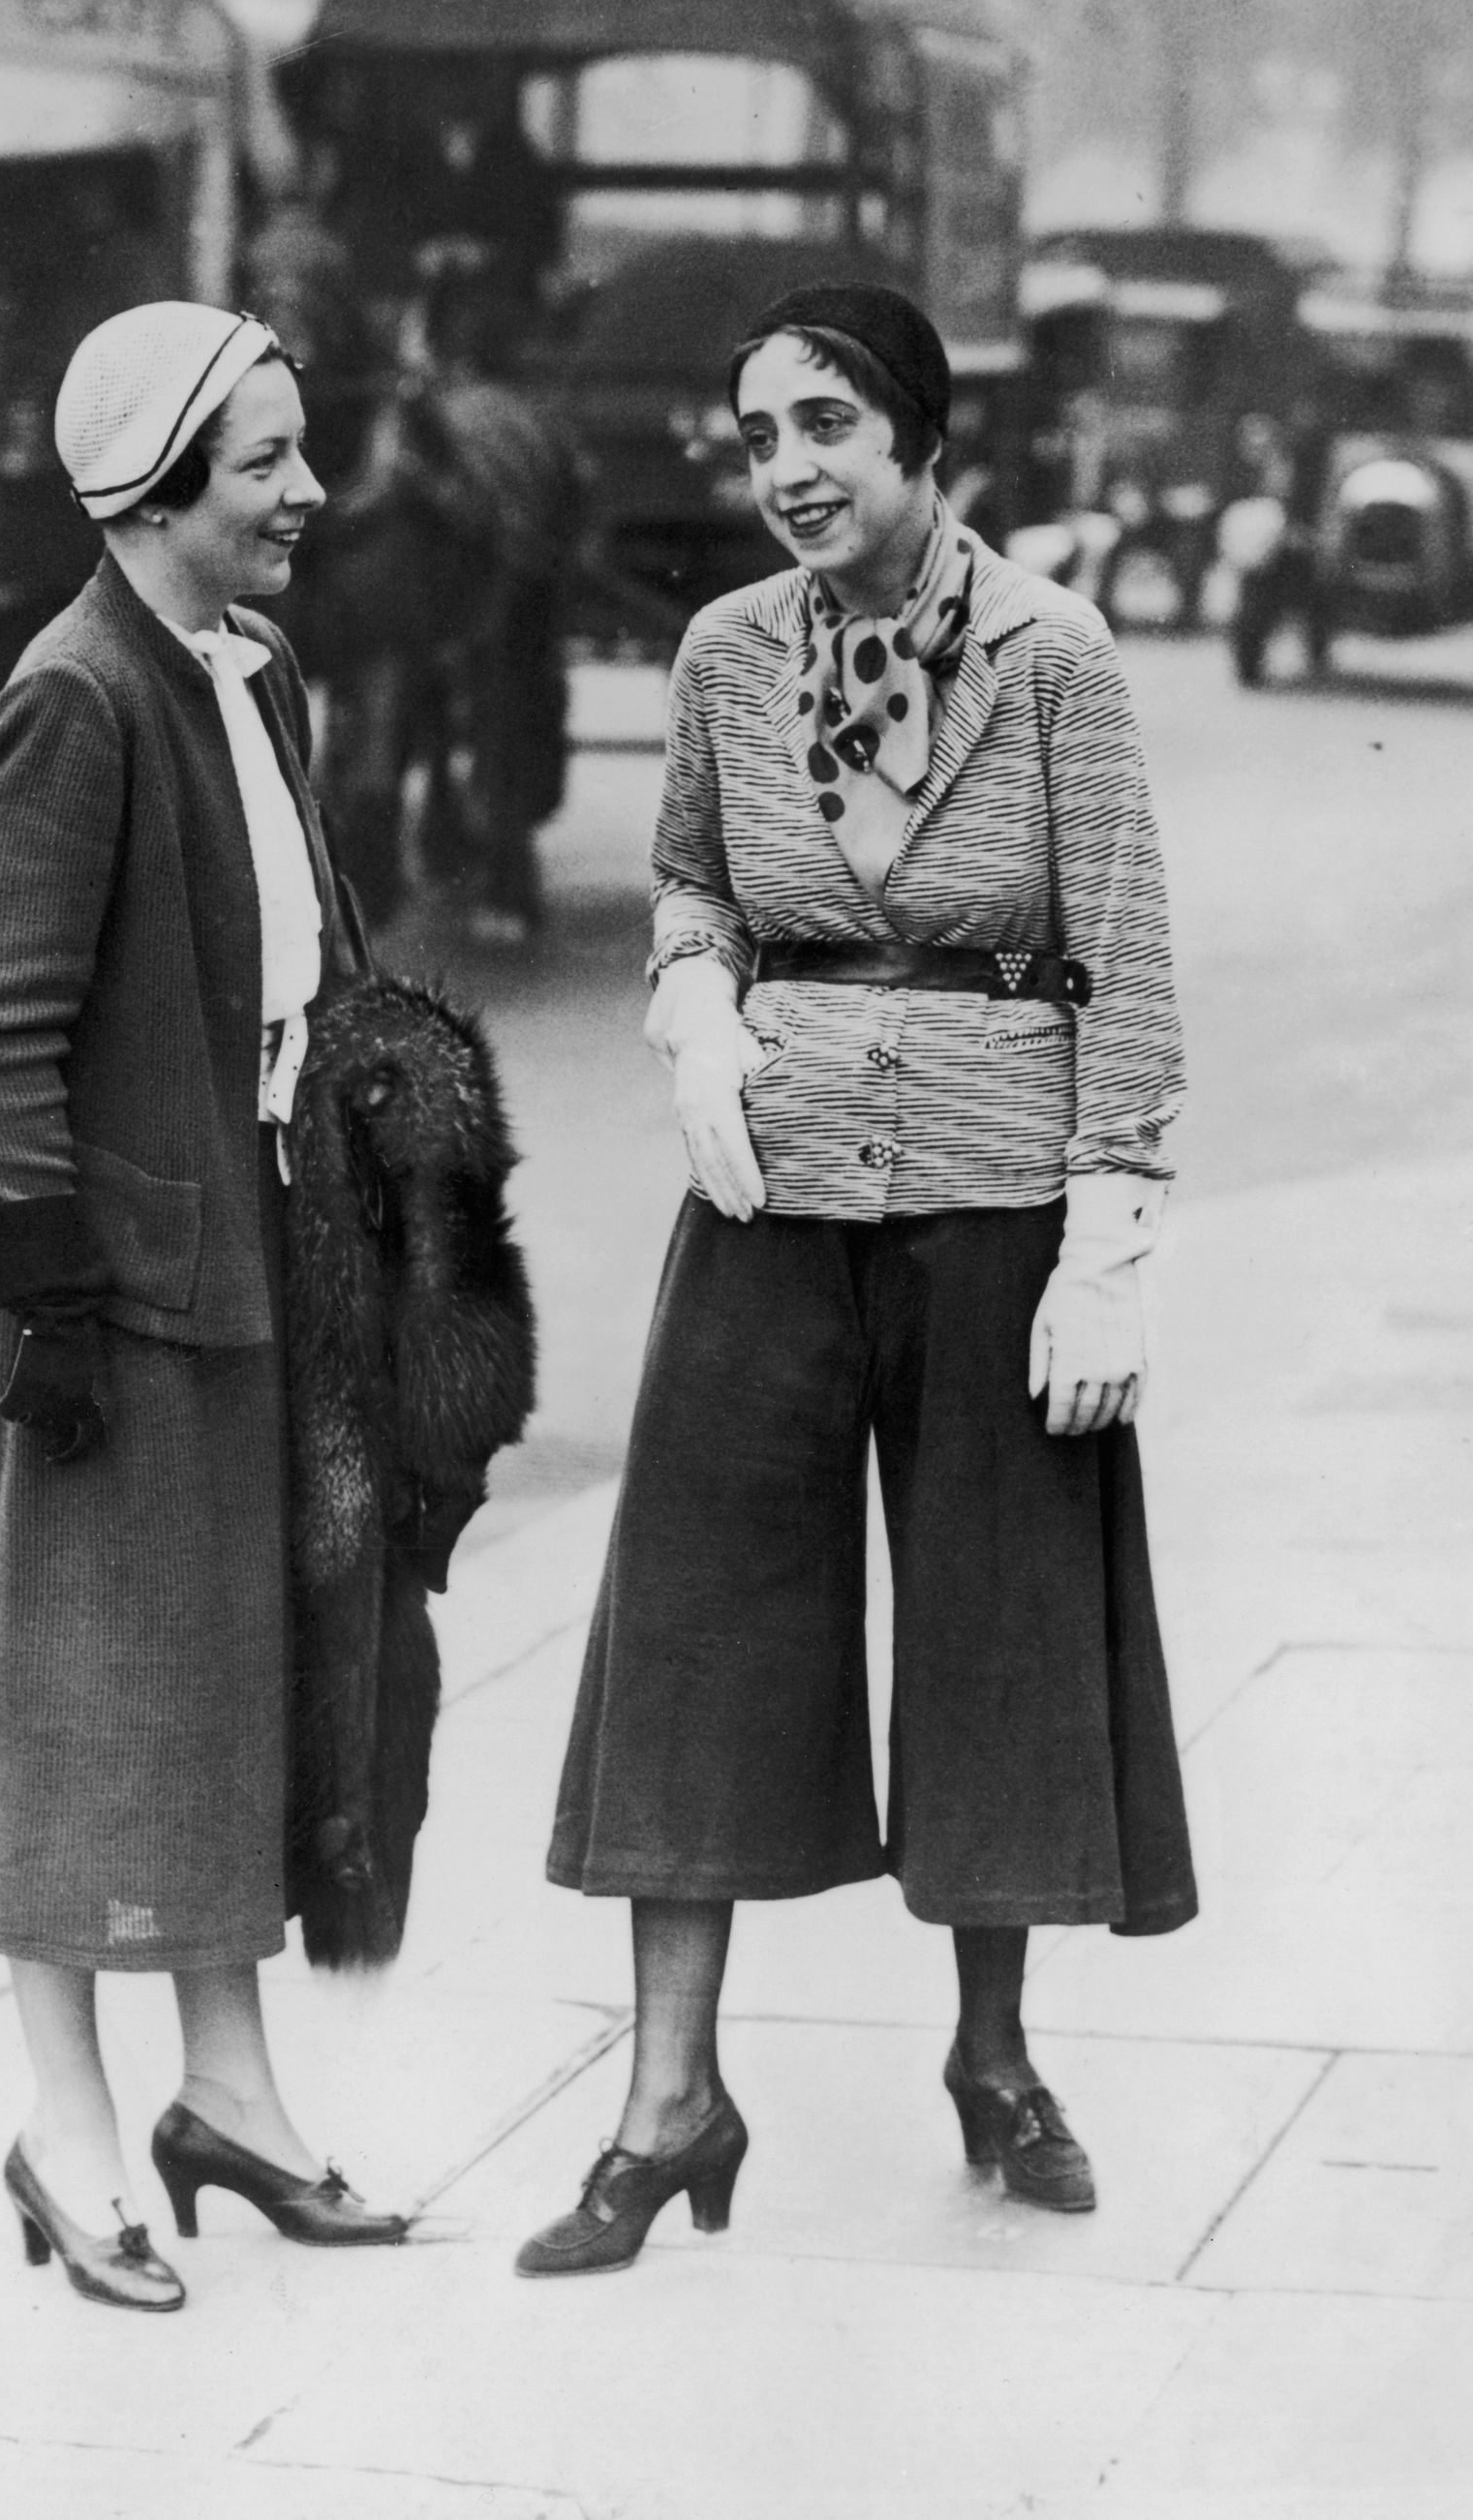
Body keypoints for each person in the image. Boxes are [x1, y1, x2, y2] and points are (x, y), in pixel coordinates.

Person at [516, 283, 1196, 2279]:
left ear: (918, 437)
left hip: (996, 1195)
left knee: (993, 1623)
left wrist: (1109, 1240)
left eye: (824, 425)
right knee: (698, 1623)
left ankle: (992, 2060)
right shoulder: (728, 652)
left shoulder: (1055, 658)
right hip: (772, 1186)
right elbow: (692, 873)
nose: (787, 469)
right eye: (756, 439)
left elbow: (1126, 956)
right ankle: (666, 2099)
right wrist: (691, 998)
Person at [0, 302, 408, 2314]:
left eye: (301, 452)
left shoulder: (251, 668)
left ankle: (232, 2097)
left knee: (232, 1699)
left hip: (259, 1269)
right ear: (154, 485)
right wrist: (54, 1312)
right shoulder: (77, 697)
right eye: (269, 462)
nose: (309, 493)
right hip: (116, 1314)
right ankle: (66, 2134)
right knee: (84, 1718)